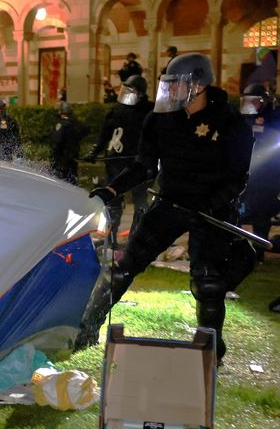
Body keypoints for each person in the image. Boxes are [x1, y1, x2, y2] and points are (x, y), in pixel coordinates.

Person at [81, 53, 255, 365]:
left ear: (198, 84)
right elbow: (143, 166)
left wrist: (212, 204)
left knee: (208, 281)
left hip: (210, 211)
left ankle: (210, 349)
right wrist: (112, 188)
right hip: (170, 203)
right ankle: (85, 327)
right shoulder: (159, 120)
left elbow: (237, 178)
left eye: (176, 84)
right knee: (123, 266)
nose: (170, 91)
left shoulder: (231, 122)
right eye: (168, 85)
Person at [84, 75, 154, 247]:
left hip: (137, 164)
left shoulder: (148, 112)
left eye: (132, 90)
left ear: (140, 93)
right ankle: (111, 238)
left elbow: (153, 138)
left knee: (140, 201)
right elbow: (105, 133)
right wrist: (95, 151)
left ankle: (136, 239)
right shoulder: (117, 110)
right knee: (113, 201)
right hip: (115, 162)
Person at [238, 84, 280, 263]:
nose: (251, 104)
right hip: (245, 171)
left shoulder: (273, 116)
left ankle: (259, 251)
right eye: (248, 101)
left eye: (254, 101)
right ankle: (234, 250)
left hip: (266, 173)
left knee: (261, 215)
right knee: (235, 213)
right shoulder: (243, 118)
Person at [51, 101, 88, 184]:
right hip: (73, 157)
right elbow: (85, 131)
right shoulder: (76, 124)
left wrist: (53, 157)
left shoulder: (61, 124)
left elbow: (57, 142)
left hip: (62, 159)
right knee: (72, 179)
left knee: (61, 181)